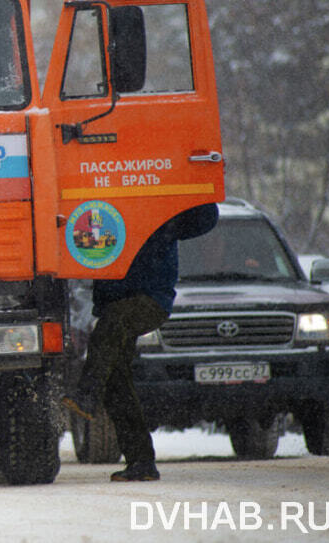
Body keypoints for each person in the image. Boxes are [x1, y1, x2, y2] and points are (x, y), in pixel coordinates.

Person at [62, 203, 219, 482]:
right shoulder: (106, 209)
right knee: (116, 383)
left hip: (151, 299)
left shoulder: (162, 209)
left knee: (109, 328)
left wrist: (200, 185)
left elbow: (205, 217)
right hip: (115, 301)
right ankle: (141, 462)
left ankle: (87, 394)